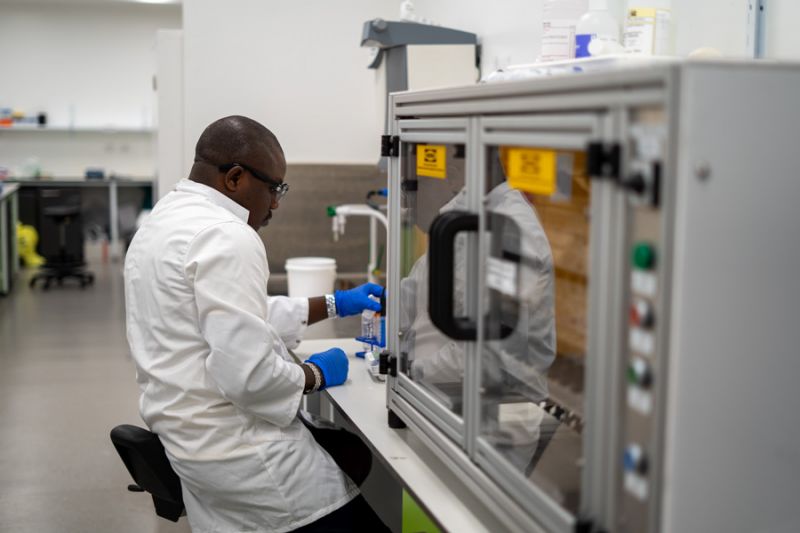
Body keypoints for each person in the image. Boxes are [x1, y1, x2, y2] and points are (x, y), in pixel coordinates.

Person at [123, 115, 389, 532]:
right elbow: (249, 377)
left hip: (190, 443)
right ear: (234, 178)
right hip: (248, 457)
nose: (276, 204)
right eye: (274, 188)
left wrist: (337, 303)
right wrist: (315, 373)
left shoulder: (163, 220)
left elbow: (238, 317)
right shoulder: (228, 235)